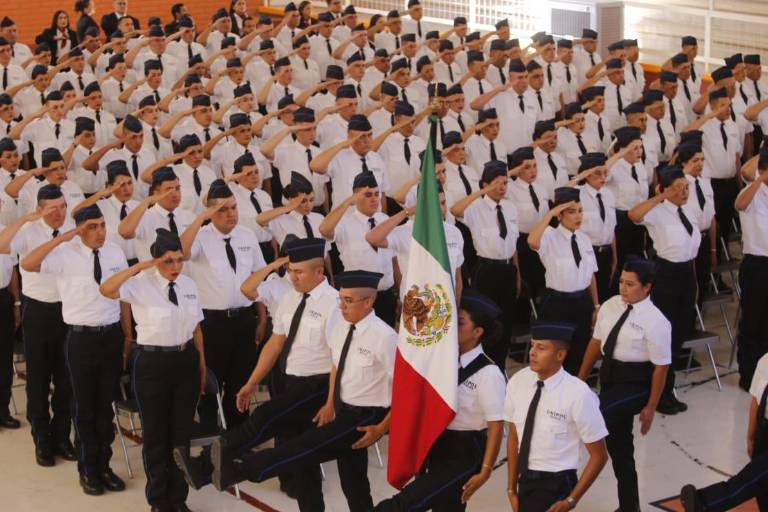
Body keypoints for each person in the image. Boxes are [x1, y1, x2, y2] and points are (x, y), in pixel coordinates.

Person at [185, 270, 395, 512]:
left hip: (366, 415)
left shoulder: (385, 337)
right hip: (340, 407)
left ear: (368, 301)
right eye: (341, 299)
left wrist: (382, 427)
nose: (342, 306)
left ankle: (240, 470)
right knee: (353, 481)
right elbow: (337, 366)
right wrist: (330, 403)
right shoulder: (344, 327)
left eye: (348, 300)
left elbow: (404, 391)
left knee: (306, 446)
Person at [173, 237, 335, 511]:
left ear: (319, 272)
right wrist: (251, 382)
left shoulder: (334, 304)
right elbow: (275, 344)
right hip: (289, 380)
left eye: (299, 272)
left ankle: (202, 466)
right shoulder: (291, 298)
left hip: (316, 386)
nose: (292, 277)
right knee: (302, 460)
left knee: (264, 417)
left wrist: (331, 402)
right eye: (291, 271)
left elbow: (339, 359)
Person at [20, 204, 129, 495]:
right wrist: (63, 238)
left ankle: (104, 466)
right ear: (79, 229)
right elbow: (28, 264)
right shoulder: (64, 254)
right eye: (92, 227)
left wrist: (127, 335)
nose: (100, 232)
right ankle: (88, 469)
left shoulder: (115, 252)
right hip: (81, 339)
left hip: (110, 336)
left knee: (105, 407)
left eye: (103, 225)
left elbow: (123, 297)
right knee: (83, 408)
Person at [99, 228, 205, 512]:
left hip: (185, 363)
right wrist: (139, 267)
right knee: (156, 435)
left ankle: (178, 498)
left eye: (179, 260)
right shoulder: (140, 284)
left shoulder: (189, 286)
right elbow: (106, 289)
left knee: (181, 435)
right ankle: (158, 500)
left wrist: (202, 366)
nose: (175, 267)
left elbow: (196, 329)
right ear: (155, 260)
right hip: (152, 365)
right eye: (168, 261)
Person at [375, 289, 505, 511]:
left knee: (407, 502)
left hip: (464, 451)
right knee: (446, 506)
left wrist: (485, 470)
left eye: (460, 323)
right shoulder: (442, 359)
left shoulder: (489, 373)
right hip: (435, 441)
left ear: (478, 332)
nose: (452, 327)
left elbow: (496, 426)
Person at [578, 258, 671, 512]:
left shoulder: (657, 321)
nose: (623, 288)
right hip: (610, 376)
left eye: (630, 284)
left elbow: (661, 367)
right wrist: (579, 379)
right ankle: (630, 507)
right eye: (621, 282)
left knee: (596, 414)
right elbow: (596, 343)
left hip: (636, 382)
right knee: (621, 450)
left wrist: (651, 406)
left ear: (647, 287)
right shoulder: (610, 306)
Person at [179, 179, 265, 429]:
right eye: (223, 209)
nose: (231, 214)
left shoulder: (247, 235)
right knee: (210, 381)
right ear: (211, 212)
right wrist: (201, 218)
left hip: (244, 319)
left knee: (241, 381)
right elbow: (182, 253)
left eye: (234, 208)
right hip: (212, 323)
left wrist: (261, 319)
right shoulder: (201, 237)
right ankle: (210, 440)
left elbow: (257, 278)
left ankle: (238, 436)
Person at [0, 185, 75, 465]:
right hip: (39, 311)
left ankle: (61, 436)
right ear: (40, 208)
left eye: (63, 206)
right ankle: (42, 439)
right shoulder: (28, 232)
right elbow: (1, 245)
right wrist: (23, 220)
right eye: (52, 208)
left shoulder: (73, 230)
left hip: (69, 311)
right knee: (39, 379)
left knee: (66, 379)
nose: (59, 213)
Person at [505, 321, 609, 512]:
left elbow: (599, 456)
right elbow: (514, 435)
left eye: (541, 347)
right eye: (533, 344)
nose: (532, 352)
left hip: (556, 482)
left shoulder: (578, 395)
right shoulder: (518, 381)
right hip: (524, 479)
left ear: (560, 355)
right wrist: (511, 488)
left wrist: (571, 500)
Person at [629, 166, 701, 415]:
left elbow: (690, 250)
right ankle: (657, 395)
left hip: (687, 274)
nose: (684, 192)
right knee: (663, 338)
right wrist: (661, 196)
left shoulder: (689, 211)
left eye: (686, 187)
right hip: (666, 275)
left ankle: (667, 390)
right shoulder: (657, 212)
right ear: (665, 189)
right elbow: (633, 215)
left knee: (679, 333)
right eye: (678, 188)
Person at [451, 160, 520, 368]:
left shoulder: (509, 207)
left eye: (505, 183)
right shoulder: (476, 208)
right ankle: (481, 364)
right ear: (485, 184)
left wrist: (517, 272)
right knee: (485, 320)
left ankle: (499, 366)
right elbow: (455, 209)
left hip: (507, 268)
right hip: (487, 270)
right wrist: (482, 192)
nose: (501, 188)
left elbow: (512, 242)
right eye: (496, 183)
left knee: (506, 321)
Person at [680, 352, 768, 512]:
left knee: (752, 477)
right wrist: (751, 436)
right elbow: (757, 398)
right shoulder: (765, 361)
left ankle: (706, 502)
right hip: (765, 431)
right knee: (761, 488)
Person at [528, 187, 599, 375]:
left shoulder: (584, 239)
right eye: (571, 212)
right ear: (559, 215)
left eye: (580, 211)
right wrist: (550, 213)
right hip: (557, 304)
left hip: (582, 303)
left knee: (579, 350)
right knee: (554, 352)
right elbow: (532, 241)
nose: (578, 216)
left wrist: (596, 305)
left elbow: (590, 274)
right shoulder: (549, 236)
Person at [319, 172, 397, 326]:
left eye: (376, 194)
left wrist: (400, 293)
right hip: (358, 299)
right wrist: (348, 202)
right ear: (355, 196)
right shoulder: (345, 223)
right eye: (368, 195)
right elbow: (324, 230)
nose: (375, 199)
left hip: (386, 295)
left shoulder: (384, 219)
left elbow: (394, 258)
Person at [734, 149, 768, 390]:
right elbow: (739, 203)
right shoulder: (752, 192)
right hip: (757, 264)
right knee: (752, 321)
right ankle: (748, 375)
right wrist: (760, 178)